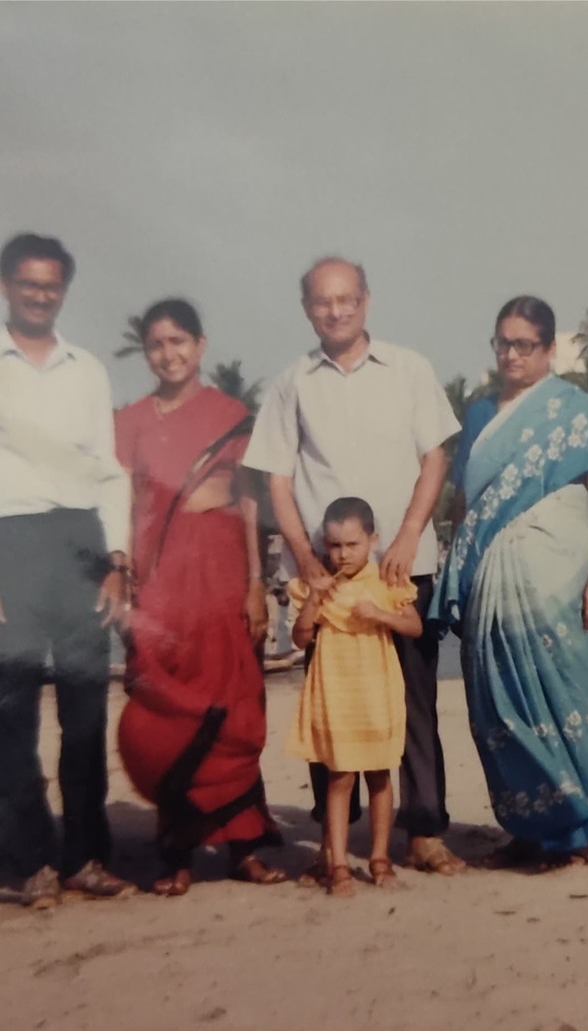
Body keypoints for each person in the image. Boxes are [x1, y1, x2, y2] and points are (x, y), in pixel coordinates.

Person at [243, 256, 466, 878]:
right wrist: (309, 560)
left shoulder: (410, 369)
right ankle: (336, 839)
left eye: (346, 299)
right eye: (322, 301)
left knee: (413, 702)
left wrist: (409, 535)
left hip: (400, 567)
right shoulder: (292, 383)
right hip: (327, 578)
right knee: (332, 701)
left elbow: (436, 460)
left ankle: (424, 830)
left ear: (366, 300)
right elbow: (278, 481)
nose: (335, 311)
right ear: (306, 308)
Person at [0, 233, 134, 907]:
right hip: (9, 547)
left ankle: (84, 857)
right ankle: (30, 864)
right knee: (14, 716)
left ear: (63, 291)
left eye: (51, 285)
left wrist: (116, 563)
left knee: (84, 716)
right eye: (28, 283)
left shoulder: (87, 370)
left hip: (80, 544)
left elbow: (109, 472)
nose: (40, 294)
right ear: (4, 286)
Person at [431, 296, 588, 868]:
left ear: (548, 350)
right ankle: (529, 828)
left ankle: (575, 831)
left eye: (523, 345)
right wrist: (460, 567)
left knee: (565, 692)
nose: (510, 354)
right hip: (490, 584)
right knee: (499, 706)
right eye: (502, 342)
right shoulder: (476, 417)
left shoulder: (574, 411)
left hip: (558, 582)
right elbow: (465, 502)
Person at [113, 298, 285, 896]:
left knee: (235, 706)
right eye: (157, 344)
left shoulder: (231, 413)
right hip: (160, 587)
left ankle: (243, 848)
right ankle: (176, 853)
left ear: (201, 345)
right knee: (172, 713)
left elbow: (248, 503)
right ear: (146, 352)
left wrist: (257, 584)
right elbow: (119, 505)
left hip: (220, 581)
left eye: (179, 341)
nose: (169, 354)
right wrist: (123, 581)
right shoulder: (128, 422)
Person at [288, 497, 422, 896]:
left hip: (376, 689)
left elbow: (414, 627)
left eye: (352, 545)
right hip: (336, 691)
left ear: (372, 540)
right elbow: (300, 637)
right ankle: (340, 864)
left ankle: (380, 859)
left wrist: (381, 615)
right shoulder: (315, 585)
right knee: (340, 776)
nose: (343, 554)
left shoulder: (386, 580)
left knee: (380, 773)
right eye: (334, 546)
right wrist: (314, 598)